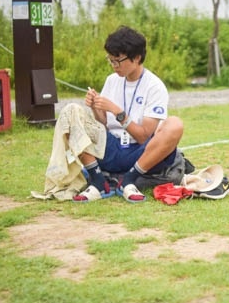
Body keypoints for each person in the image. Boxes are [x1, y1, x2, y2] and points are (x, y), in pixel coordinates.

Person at [62, 26, 184, 203]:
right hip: (111, 148)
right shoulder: (112, 80)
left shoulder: (154, 86)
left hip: (141, 154)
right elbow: (103, 122)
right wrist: (96, 107)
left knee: (174, 124)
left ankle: (129, 180)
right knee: (72, 114)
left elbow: (143, 136)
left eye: (117, 61)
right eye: (110, 60)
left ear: (136, 58)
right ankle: (98, 182)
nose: (113, 66)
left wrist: (118, 111)